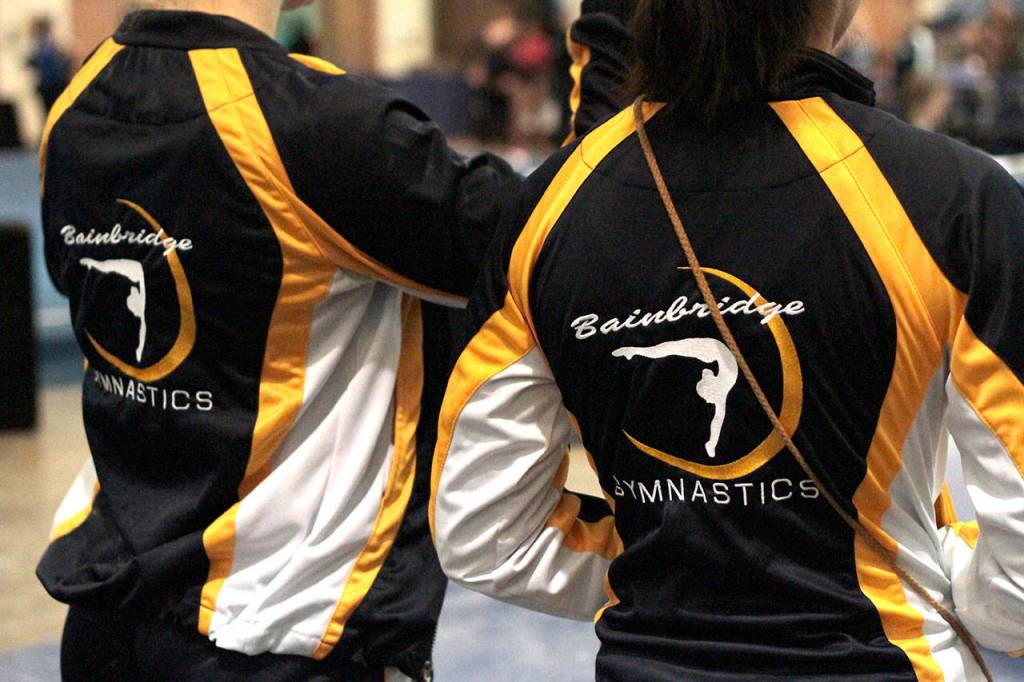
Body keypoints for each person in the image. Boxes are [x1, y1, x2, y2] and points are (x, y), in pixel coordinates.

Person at [431, 0, 1024, 679]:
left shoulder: (551, 207)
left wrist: (674, 560)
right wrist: (945, 570)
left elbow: (485, 533)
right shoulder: (952, 198)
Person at [36, 0, 628, 679]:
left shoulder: (78, 102)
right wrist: (612, 31)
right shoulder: (310, 123)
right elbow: (564, 233)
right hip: (272, 630)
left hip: (107, 618)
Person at [26, 16, 71, 114]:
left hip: (49, 85)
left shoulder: (41, 45)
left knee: (51, 112)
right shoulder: (52, 43)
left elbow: (33, 62)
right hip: (57, 84)